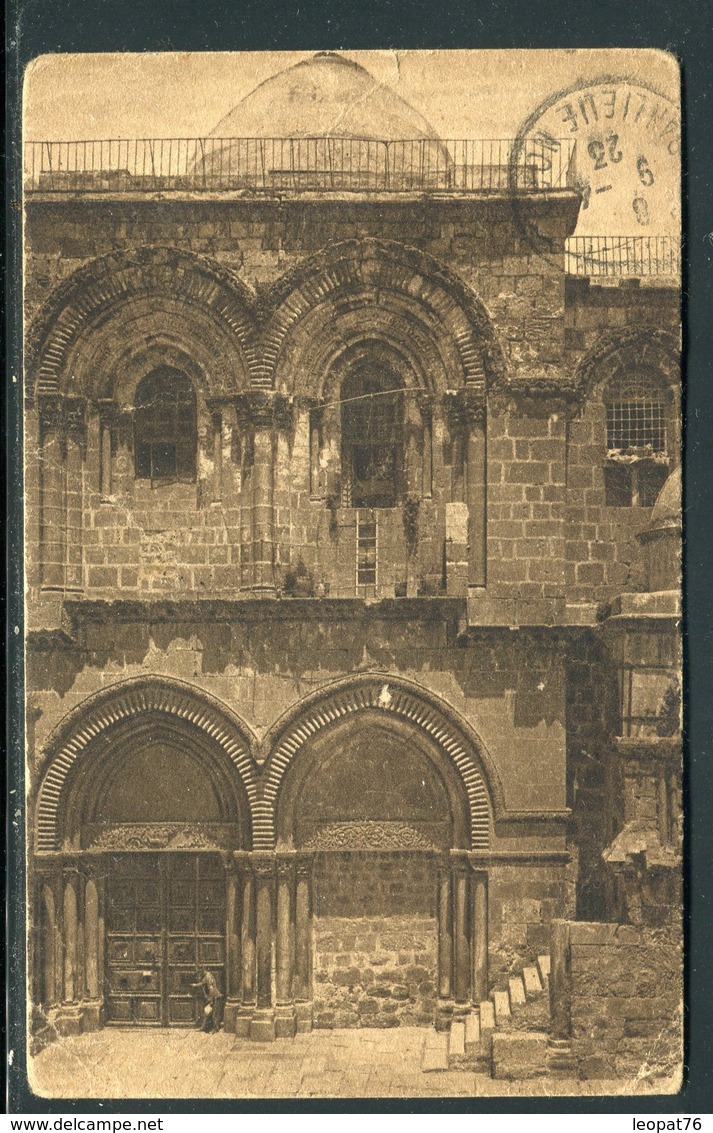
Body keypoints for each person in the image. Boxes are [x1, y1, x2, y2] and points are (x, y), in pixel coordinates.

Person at [191, 968, 221, 1032]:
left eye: (199, 974)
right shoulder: (206, 976)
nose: (199, 976)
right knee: (207, 1014)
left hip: (214, 997)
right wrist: (196, 985)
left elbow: (211, 989)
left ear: (202, 972)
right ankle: (203, 1027)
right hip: (211, 997)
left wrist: (211, 1000)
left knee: (213, 1015)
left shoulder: (208, 977)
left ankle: (215, 1029)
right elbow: (203, 983)